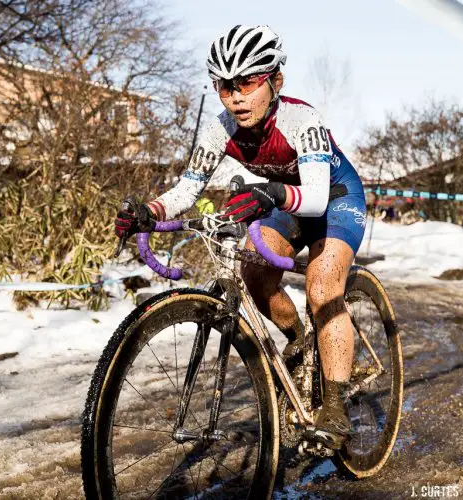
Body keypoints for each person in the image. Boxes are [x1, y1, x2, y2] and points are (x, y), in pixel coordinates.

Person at [114, 25, 367, 450]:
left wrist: (268, 193)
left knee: (322, 287)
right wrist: (149, 211)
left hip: (335, 199)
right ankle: (301, 341)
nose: (236, 97)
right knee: (253, 274)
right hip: (286, 200)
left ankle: (336, 407)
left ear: (275, 81)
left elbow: (317, 195)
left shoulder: (301, 120)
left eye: (247, 83)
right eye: (225, 86)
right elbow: (186, 190)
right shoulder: (219, 130)